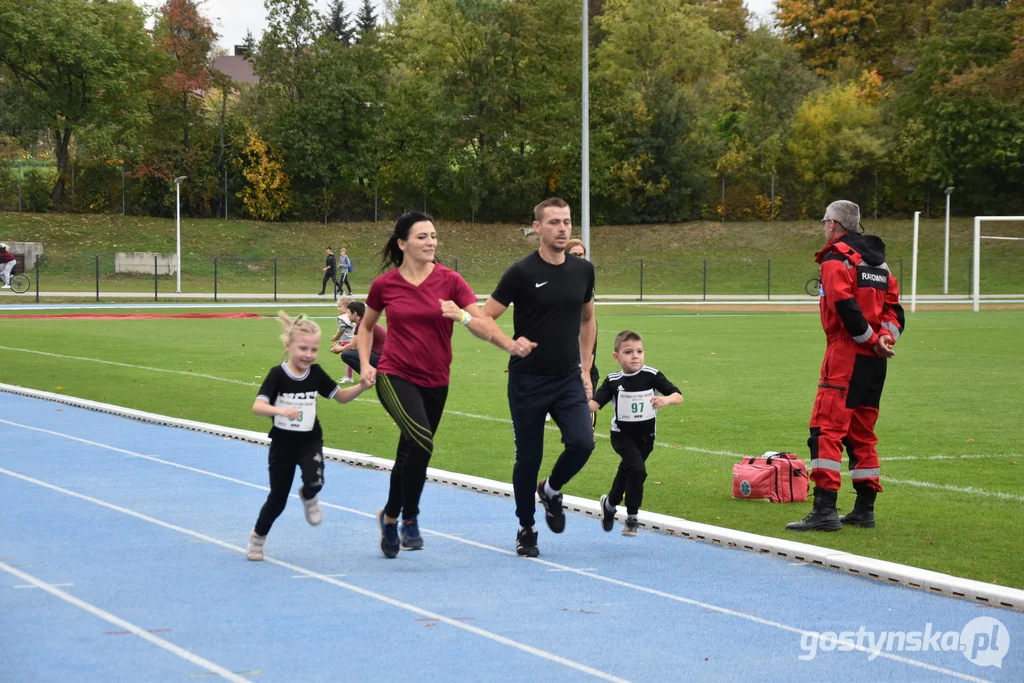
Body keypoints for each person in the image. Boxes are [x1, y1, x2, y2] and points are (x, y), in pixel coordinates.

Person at [357, 211, 531, 558]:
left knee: (410, 450)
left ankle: (389, 517)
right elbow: (366, 327)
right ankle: (410, 519)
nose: (431, 242)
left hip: (436, 379)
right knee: (421, 442)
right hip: (394, 373)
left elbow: (482, 323)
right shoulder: (385, 285)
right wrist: (365, 364)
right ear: (402, 243)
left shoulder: (451, 281)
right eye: (422, 236)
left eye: (434, 236)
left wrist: (499, 338)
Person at [480, 197, 597, 558]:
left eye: (567, 222)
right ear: (538, 228)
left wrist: (585, 369)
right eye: (554, 222)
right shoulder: (521, 272)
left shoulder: (583, 270)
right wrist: (509, 343)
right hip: (528, 380)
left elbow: (587, 319)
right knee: (528, 458)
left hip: (567, 380)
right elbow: (485, 317)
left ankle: (551, 489)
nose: (563, 228)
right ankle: (526, 527)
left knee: (583, 443)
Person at [786, 200, 905, 532]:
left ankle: (824, 510)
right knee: (862, 434)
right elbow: (896, 313)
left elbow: (843, 306)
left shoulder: (837, 259)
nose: (823, 227)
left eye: (824, 221)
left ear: (833, 224)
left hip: (846, 354)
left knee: (825, 430)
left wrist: (868, 339)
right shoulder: (881, 267)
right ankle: (864, 509)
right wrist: (884, 340)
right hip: (876, 362)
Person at [247, 311, 368, 561]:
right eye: (303, 348)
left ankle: (309, 495)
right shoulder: (277, 376)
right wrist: (280, 410)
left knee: (316, 480)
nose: (308, 355)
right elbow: (258, 407)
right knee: (277, 499)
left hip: (309, 440)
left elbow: (341, 397)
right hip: (282, 445)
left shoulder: (315, 374)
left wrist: (363, 386)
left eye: (313, 350)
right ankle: (257, 538)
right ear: (288, 345)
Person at [589, 330, 683, 536]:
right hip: (621, 435)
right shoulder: (613, 381)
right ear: (616, 357)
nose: (635, 356)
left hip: (646, 437)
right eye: (628, 352)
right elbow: (594, 405)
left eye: (639, 351)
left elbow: (678, 396)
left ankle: (610, 504)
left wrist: (665, 400)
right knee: (638, 470)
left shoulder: (652, 376)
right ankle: (632, 517)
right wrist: (574, 403)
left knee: (628, 470)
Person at [566, 238, 600, 409]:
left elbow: (589, 315)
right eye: (574, 254)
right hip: (563, 330)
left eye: (581, 255)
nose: (579, 258)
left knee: (589, 369)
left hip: (584, 327)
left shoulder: (587, 276)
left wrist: (586, 369)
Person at [335, 300, 386, 378]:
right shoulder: (365, 321)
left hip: (382, 358)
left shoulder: (362, 324)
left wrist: (340, 349)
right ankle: (373, 374)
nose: (347, 315)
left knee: (346, 355)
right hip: (383, 357)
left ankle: (370, 376)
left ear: (355, 313)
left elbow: (352, 346)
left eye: (349, 313)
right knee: (354, 352)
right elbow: (358, 346)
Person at [329, 297, 355, 383]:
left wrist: (335, 337)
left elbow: (341, 329)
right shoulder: (350, 316)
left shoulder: (344, 318)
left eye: (340, 306)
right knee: (348, 359)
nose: (338, 308)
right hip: (350, 340)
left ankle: (349, 377)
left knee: (349, 359)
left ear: (347, 308)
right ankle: (348, 376)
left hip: (347, 341)